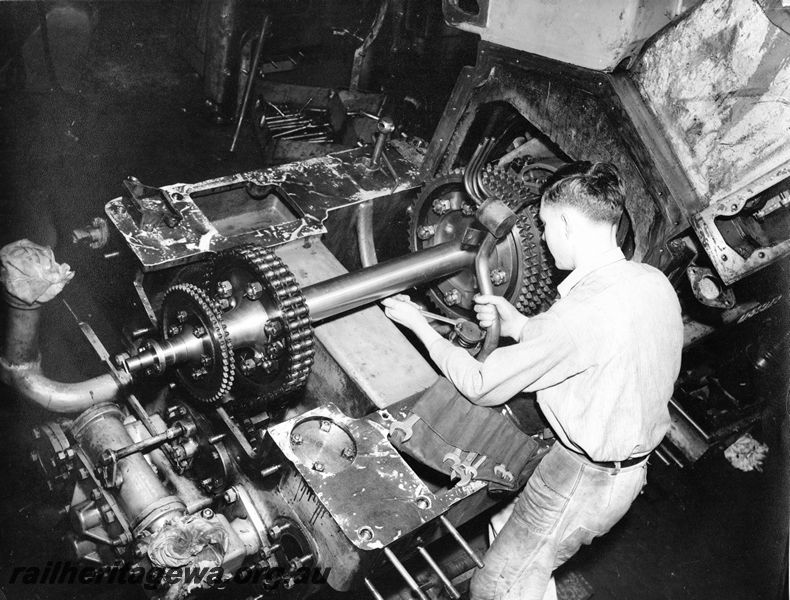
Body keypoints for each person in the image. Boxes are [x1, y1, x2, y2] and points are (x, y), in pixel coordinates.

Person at [382, 161, 684, 600]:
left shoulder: (575, 319)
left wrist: (418, 326)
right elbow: (591, 343)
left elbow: (481, 383)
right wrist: (517, 323)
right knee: (507, 533)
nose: (542, 237)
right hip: (623, 473)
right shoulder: (649, 281)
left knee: (495, 588)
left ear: (566, 222)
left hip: (581, 481)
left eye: (544, 226)